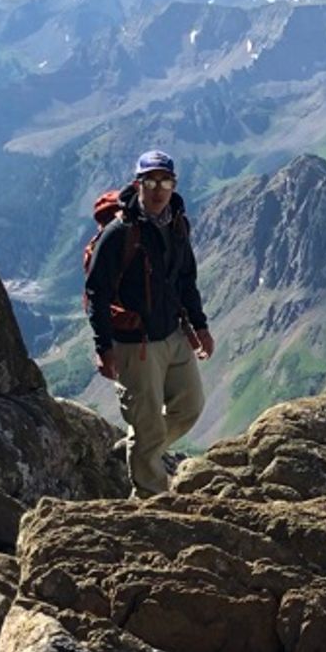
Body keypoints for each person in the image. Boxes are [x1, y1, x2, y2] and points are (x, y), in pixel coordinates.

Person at [84, 150, 214, 493]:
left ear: (174, 185)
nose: (158, 189)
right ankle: (150, 501)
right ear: (138, 184)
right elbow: (96, 291)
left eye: (165, 181)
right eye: (151, 181)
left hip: (173, 334)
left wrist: (200, 327)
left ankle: (141, 444)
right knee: (149, 427)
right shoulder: (120, 233)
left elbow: (186, 279)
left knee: (190, 406)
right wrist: (104, 346)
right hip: (135, 344)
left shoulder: (176, 224)